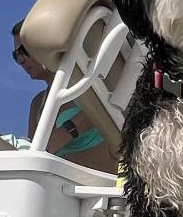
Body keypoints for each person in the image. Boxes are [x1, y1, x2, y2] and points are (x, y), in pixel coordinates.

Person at [11, 19, 118, 175]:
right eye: (16, 55)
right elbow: (33, 152)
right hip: (56, 181)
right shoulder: (38, 103)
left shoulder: (87, 82)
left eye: (24, 51)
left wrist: (69, 130)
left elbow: (106, 111)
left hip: (96, 177)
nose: (20, 60)